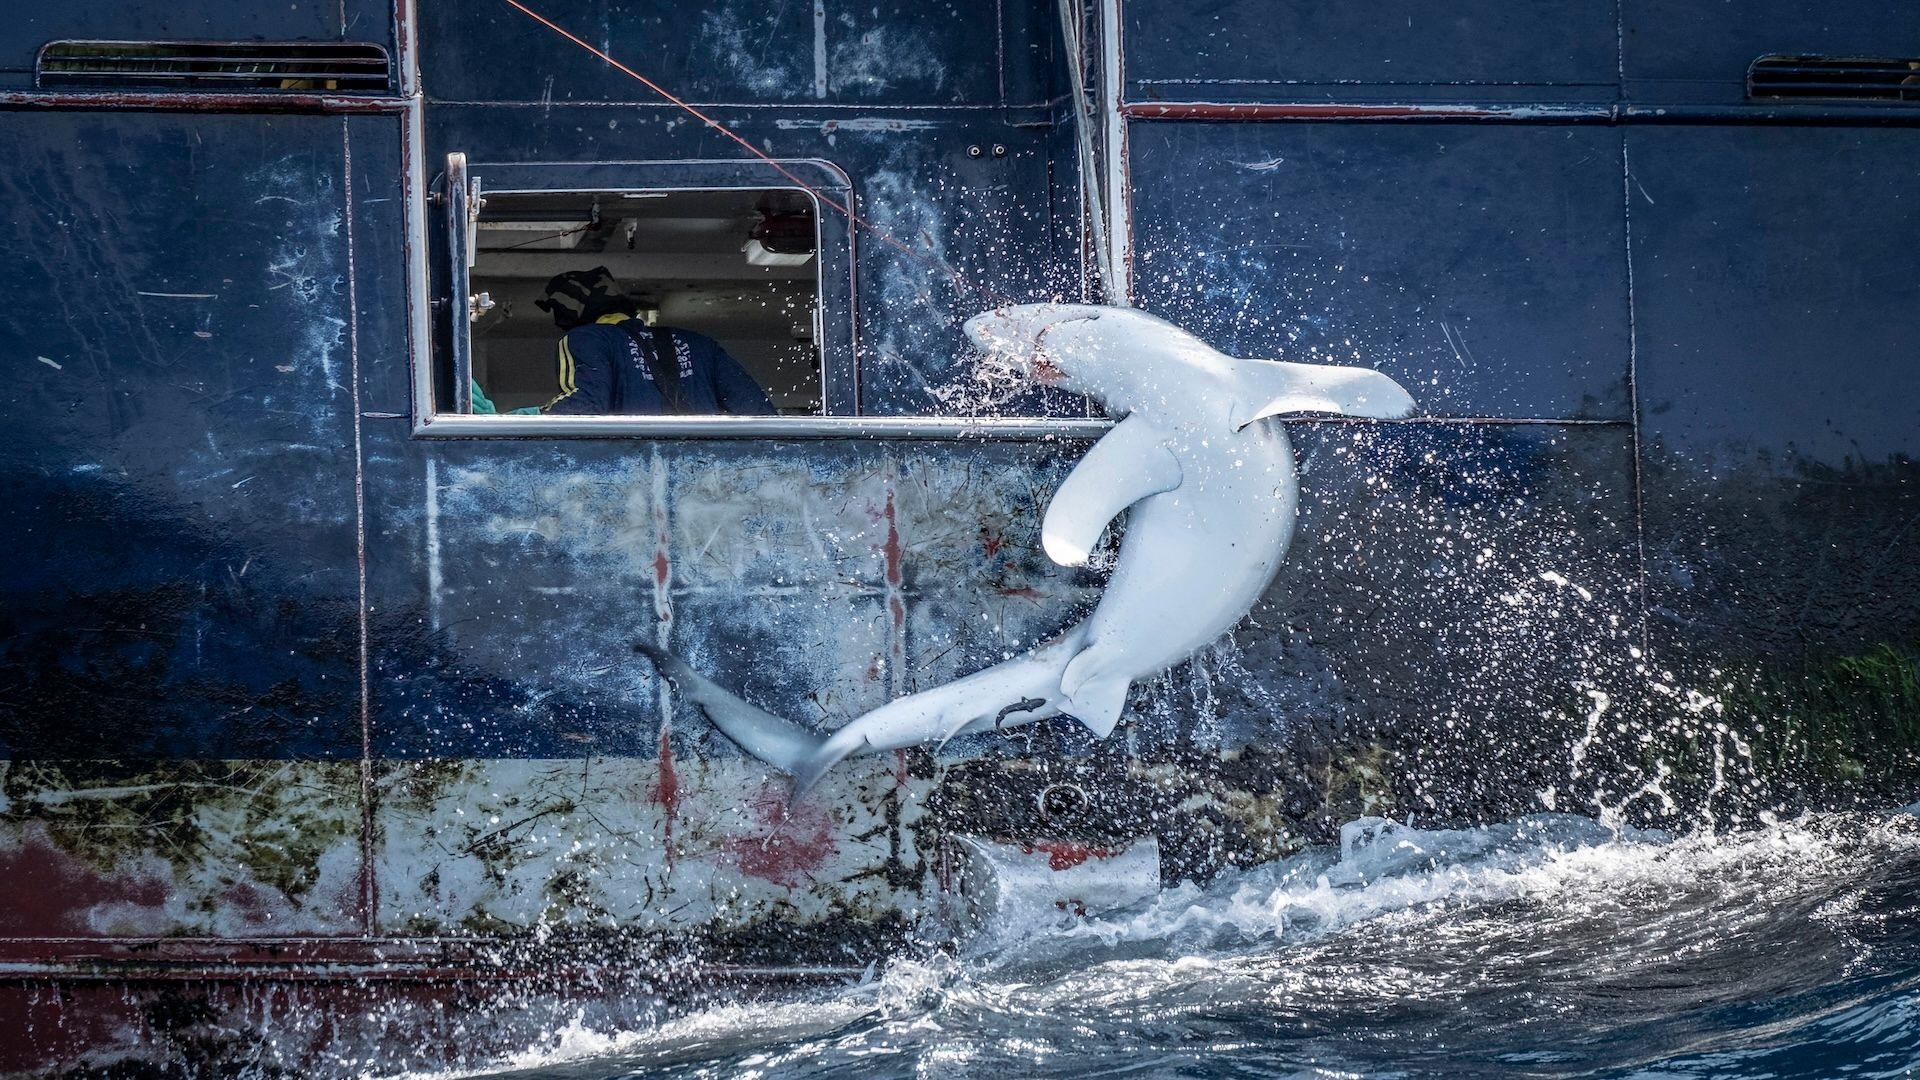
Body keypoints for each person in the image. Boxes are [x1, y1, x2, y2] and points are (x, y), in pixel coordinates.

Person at [533, 266, 774, 416]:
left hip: (634, 482)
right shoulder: (700, 344)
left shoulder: (586, 338)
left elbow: (584, 408)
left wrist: (526, 418)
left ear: (569, 317)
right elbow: (758, 413)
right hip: (703, 483)